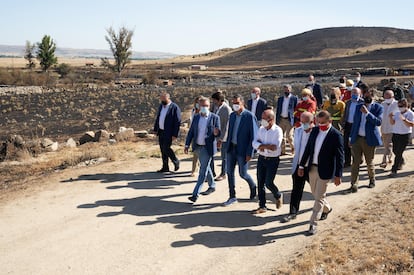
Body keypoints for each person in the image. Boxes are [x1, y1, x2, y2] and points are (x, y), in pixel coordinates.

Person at [298, 110, 344, 235]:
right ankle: (327, 208)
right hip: (312, 168)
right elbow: (308, 149)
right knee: (315, 193)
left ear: (330, 121)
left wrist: (338, 175)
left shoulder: (336, 135)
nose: (320, 125)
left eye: (323, 123)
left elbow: (340, 156)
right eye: (318, 122)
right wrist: (301, 165)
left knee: (318, 198)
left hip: (325, 170)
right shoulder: (315, 131)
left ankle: (313, 224)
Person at [184, 97, 221, 203]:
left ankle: (195, 194)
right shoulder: (196, 117)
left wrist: (216, 133)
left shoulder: (215, 118)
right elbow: (191, 132)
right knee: (206, 165)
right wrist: (187, 145)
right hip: (197, 147)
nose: (204, 108)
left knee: (202, 171)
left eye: (206, 106)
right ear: (198, 106)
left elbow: (219, 133)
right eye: (202, 106)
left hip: (207, 148)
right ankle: (212, 185)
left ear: (209, 106)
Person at [224, 94, 258, 206]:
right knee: (229, 172)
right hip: (231, 148)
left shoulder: (249, 116)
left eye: (237, 103)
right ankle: (232, 196)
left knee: (243, 174)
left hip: (243, 150)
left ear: (242, 103)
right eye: (233, 103)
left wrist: (250, 152)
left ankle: (253, 186)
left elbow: (254, 136)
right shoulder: (232, 115)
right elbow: (230, 132)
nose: (235, 105)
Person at [281, 111, 315, 223]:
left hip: (312, 167)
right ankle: (293, 212)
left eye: (305, 122)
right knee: (296, 190)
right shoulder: (299, 131)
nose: (303, 124)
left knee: (317, 191)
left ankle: (325, 208)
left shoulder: (316, 132)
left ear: (312, 122)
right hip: (299, 165)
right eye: (301, 121)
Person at [349, 88, 383, 193]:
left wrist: (368, 113)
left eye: (369, 95)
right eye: (365, 95)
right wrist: (351, 137)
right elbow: (355, 123)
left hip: (369, 139)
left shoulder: (378, 107)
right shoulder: (359, 106)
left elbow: (378, 122)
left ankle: (372, 179)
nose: (366, 97)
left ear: (373, 96)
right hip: (357, 138)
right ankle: (354, 183)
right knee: (355, 162)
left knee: (369, 162)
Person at [251, 109, 283, 214]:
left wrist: (261, 146)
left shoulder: (277, 130)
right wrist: (263, 146)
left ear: (271, 119)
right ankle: (262, 205)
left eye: (264, 118)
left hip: (272, 160)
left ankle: (277, 195)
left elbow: (275, 147)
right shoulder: (261, 129)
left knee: (269, 182)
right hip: (262, 158)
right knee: (260, 182)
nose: (262, 120)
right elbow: (254, 142)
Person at [153, 92, 181, 173]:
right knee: (162, 149)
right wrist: (155, 129)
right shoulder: (161, 106)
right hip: (161, 131)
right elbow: (158, 118)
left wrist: (175, 134)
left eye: (163, 99)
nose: (162, 100)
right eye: (161, 99)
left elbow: (177, 121)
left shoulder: (174, 107)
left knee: (166, 148)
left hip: (169, 132)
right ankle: (165, 167)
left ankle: (175, 161)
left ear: (168, 98)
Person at [389, 99, 414, 177]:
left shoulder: (410, 113)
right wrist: (390, 118)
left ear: (406, 105)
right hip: (396, 134)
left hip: (405, 135)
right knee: (395, 150)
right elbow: (392, 123)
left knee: (399, 152)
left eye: (402, 106)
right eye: (399, 106)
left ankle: (394, 170)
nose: (400, 107)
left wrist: (404, 120)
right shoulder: (397, 113)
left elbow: (411, 124)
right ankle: (401, 160)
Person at [211, 91, 232, 181]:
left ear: (219, 100)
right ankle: (211, 173)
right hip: (214, 135)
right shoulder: (215, 107)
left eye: (215, 100)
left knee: (224, 157)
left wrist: (221, 139)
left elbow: (227, 126)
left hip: (224, 137)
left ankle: (223, 173)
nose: (213, 102)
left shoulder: (227, 109)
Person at [341, 87, 364, 167]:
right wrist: (343, 124)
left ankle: (358, 159)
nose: (354, 95)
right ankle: (347, 161)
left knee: (357, 143)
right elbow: (345, 114)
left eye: (356, 93)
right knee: (346, 144)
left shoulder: (362, 102)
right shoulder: (348, 102)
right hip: (348, 125)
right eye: (353, 93)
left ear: (360, 94)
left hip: (358, 126)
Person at [276, 84, 298, 155]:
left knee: (289, 136)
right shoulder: (280, 99)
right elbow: (278, 110)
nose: (286, 91)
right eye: (285, 89)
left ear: (290, 90)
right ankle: (283, 151)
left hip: (289, 120)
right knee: (281, 136)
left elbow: (296, 110)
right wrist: (277, 120)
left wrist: (295, 121)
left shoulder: (294, 99)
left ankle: (293, 148)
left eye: (288, 90)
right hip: (281, 119)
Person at [380, 90, 398, 168]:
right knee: (385, 145)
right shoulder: (382, 104)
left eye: (389, 97)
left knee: (389, 144)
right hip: (384, 128)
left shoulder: (397, 104)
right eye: (386, 96)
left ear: (393, 97)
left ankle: (385, 160)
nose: (387, 98)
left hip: (393, 128)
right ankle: (389, 157)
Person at [190, 96, 202, 176]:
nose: (197, 104)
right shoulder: (193, 111)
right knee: (195, 152)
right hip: (193, 134)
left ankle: (200, 169)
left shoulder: (204, 112)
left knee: (201, 153)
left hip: (201, 134)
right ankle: (194, 170)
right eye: (196, 102)